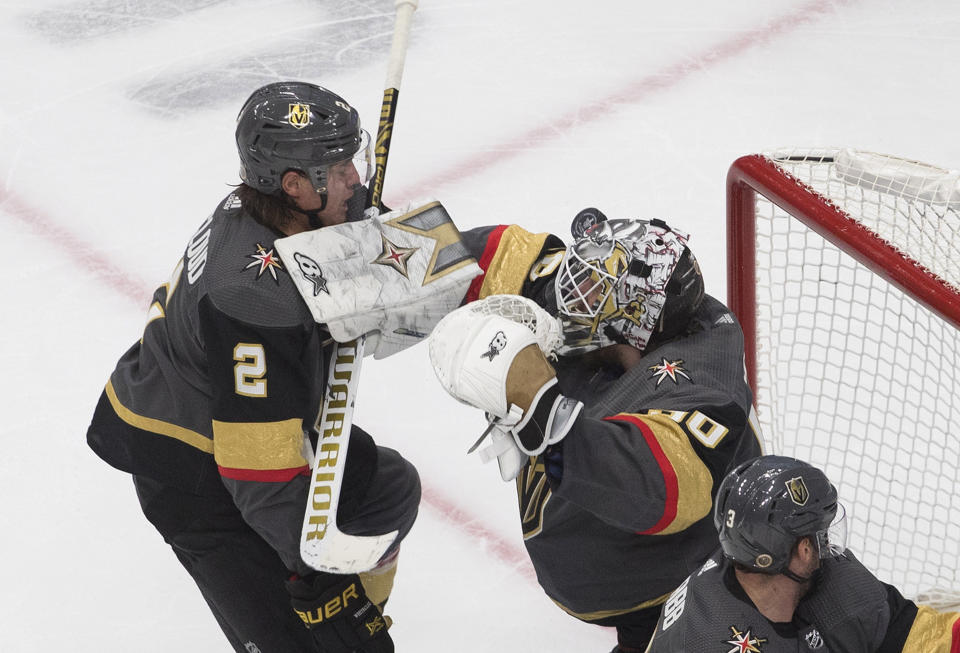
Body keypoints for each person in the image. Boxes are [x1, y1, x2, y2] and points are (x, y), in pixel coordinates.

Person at [86, 81, 420, 653]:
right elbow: (260, 480)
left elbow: (376, 237)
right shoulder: (252, 298)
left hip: (248, 425)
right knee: (304, 640)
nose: (356, 181)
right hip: (195, 474)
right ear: (294, 185)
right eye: (338, 168)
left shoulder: (279, 211)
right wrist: (317, 574)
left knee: (385, 489)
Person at [429, 211, 765, 652]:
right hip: (608, 558)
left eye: (590, 293)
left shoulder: (706, 388)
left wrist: (543, 412)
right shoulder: (637, 312)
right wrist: (385, 255)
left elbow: (663, 483)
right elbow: (504, 256)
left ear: (634, 322)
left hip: (674, 590)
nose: (568, 298)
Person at [645, 454, 960, 652]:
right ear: (803, 549)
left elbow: (915, 634)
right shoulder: (708, 638)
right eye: (818, 534)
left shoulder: (746, 553)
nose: (825, 545)